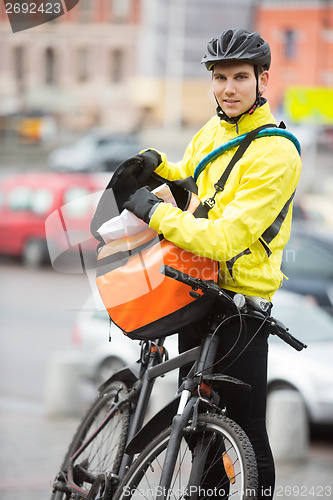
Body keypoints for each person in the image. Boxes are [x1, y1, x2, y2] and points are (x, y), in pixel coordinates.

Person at [122, 28, 302, 500]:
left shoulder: (276, 152)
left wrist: (154, 212)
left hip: (241, 308)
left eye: (240, 77)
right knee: (200, 429)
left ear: (263, 79)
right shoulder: (214, 128)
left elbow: (226, 238)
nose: (228, 88)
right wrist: (157, 163)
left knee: (244, 434)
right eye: (220, 78)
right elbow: (192, 171)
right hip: (198, 291)